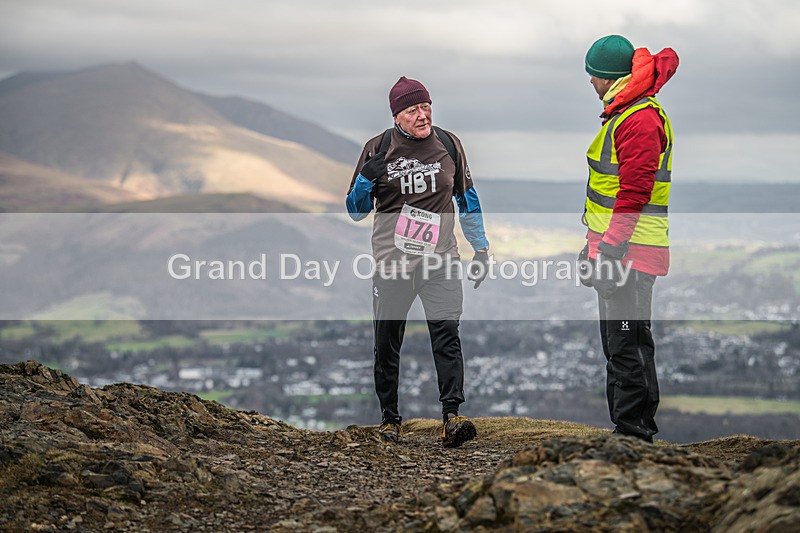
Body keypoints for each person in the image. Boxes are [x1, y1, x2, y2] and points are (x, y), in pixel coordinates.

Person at [346, 76, 490, 448]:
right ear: (397, 115)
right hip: (393, 264)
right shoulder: (377, 148)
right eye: (413, 110)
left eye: (426, 106)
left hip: (440, 261)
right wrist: (366, 178)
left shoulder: (448, 144)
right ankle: (390, 421)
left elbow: (467, 199)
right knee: (387, 342)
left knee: (447, 336)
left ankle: (452, 417)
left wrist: (482, 248)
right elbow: (355, 211)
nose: (423, 115)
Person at [579, 35, 679, 442]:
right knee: (619, 345)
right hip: (618, 251)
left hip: (630, 256)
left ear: (610, 77)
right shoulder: (625, 114)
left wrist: (610, 249)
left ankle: (635, 434)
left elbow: (634, 193)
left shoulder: (639, 119)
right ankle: (625, 430)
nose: (590, 82)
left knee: (629, 344)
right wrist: (592, 246)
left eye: (594, 75)